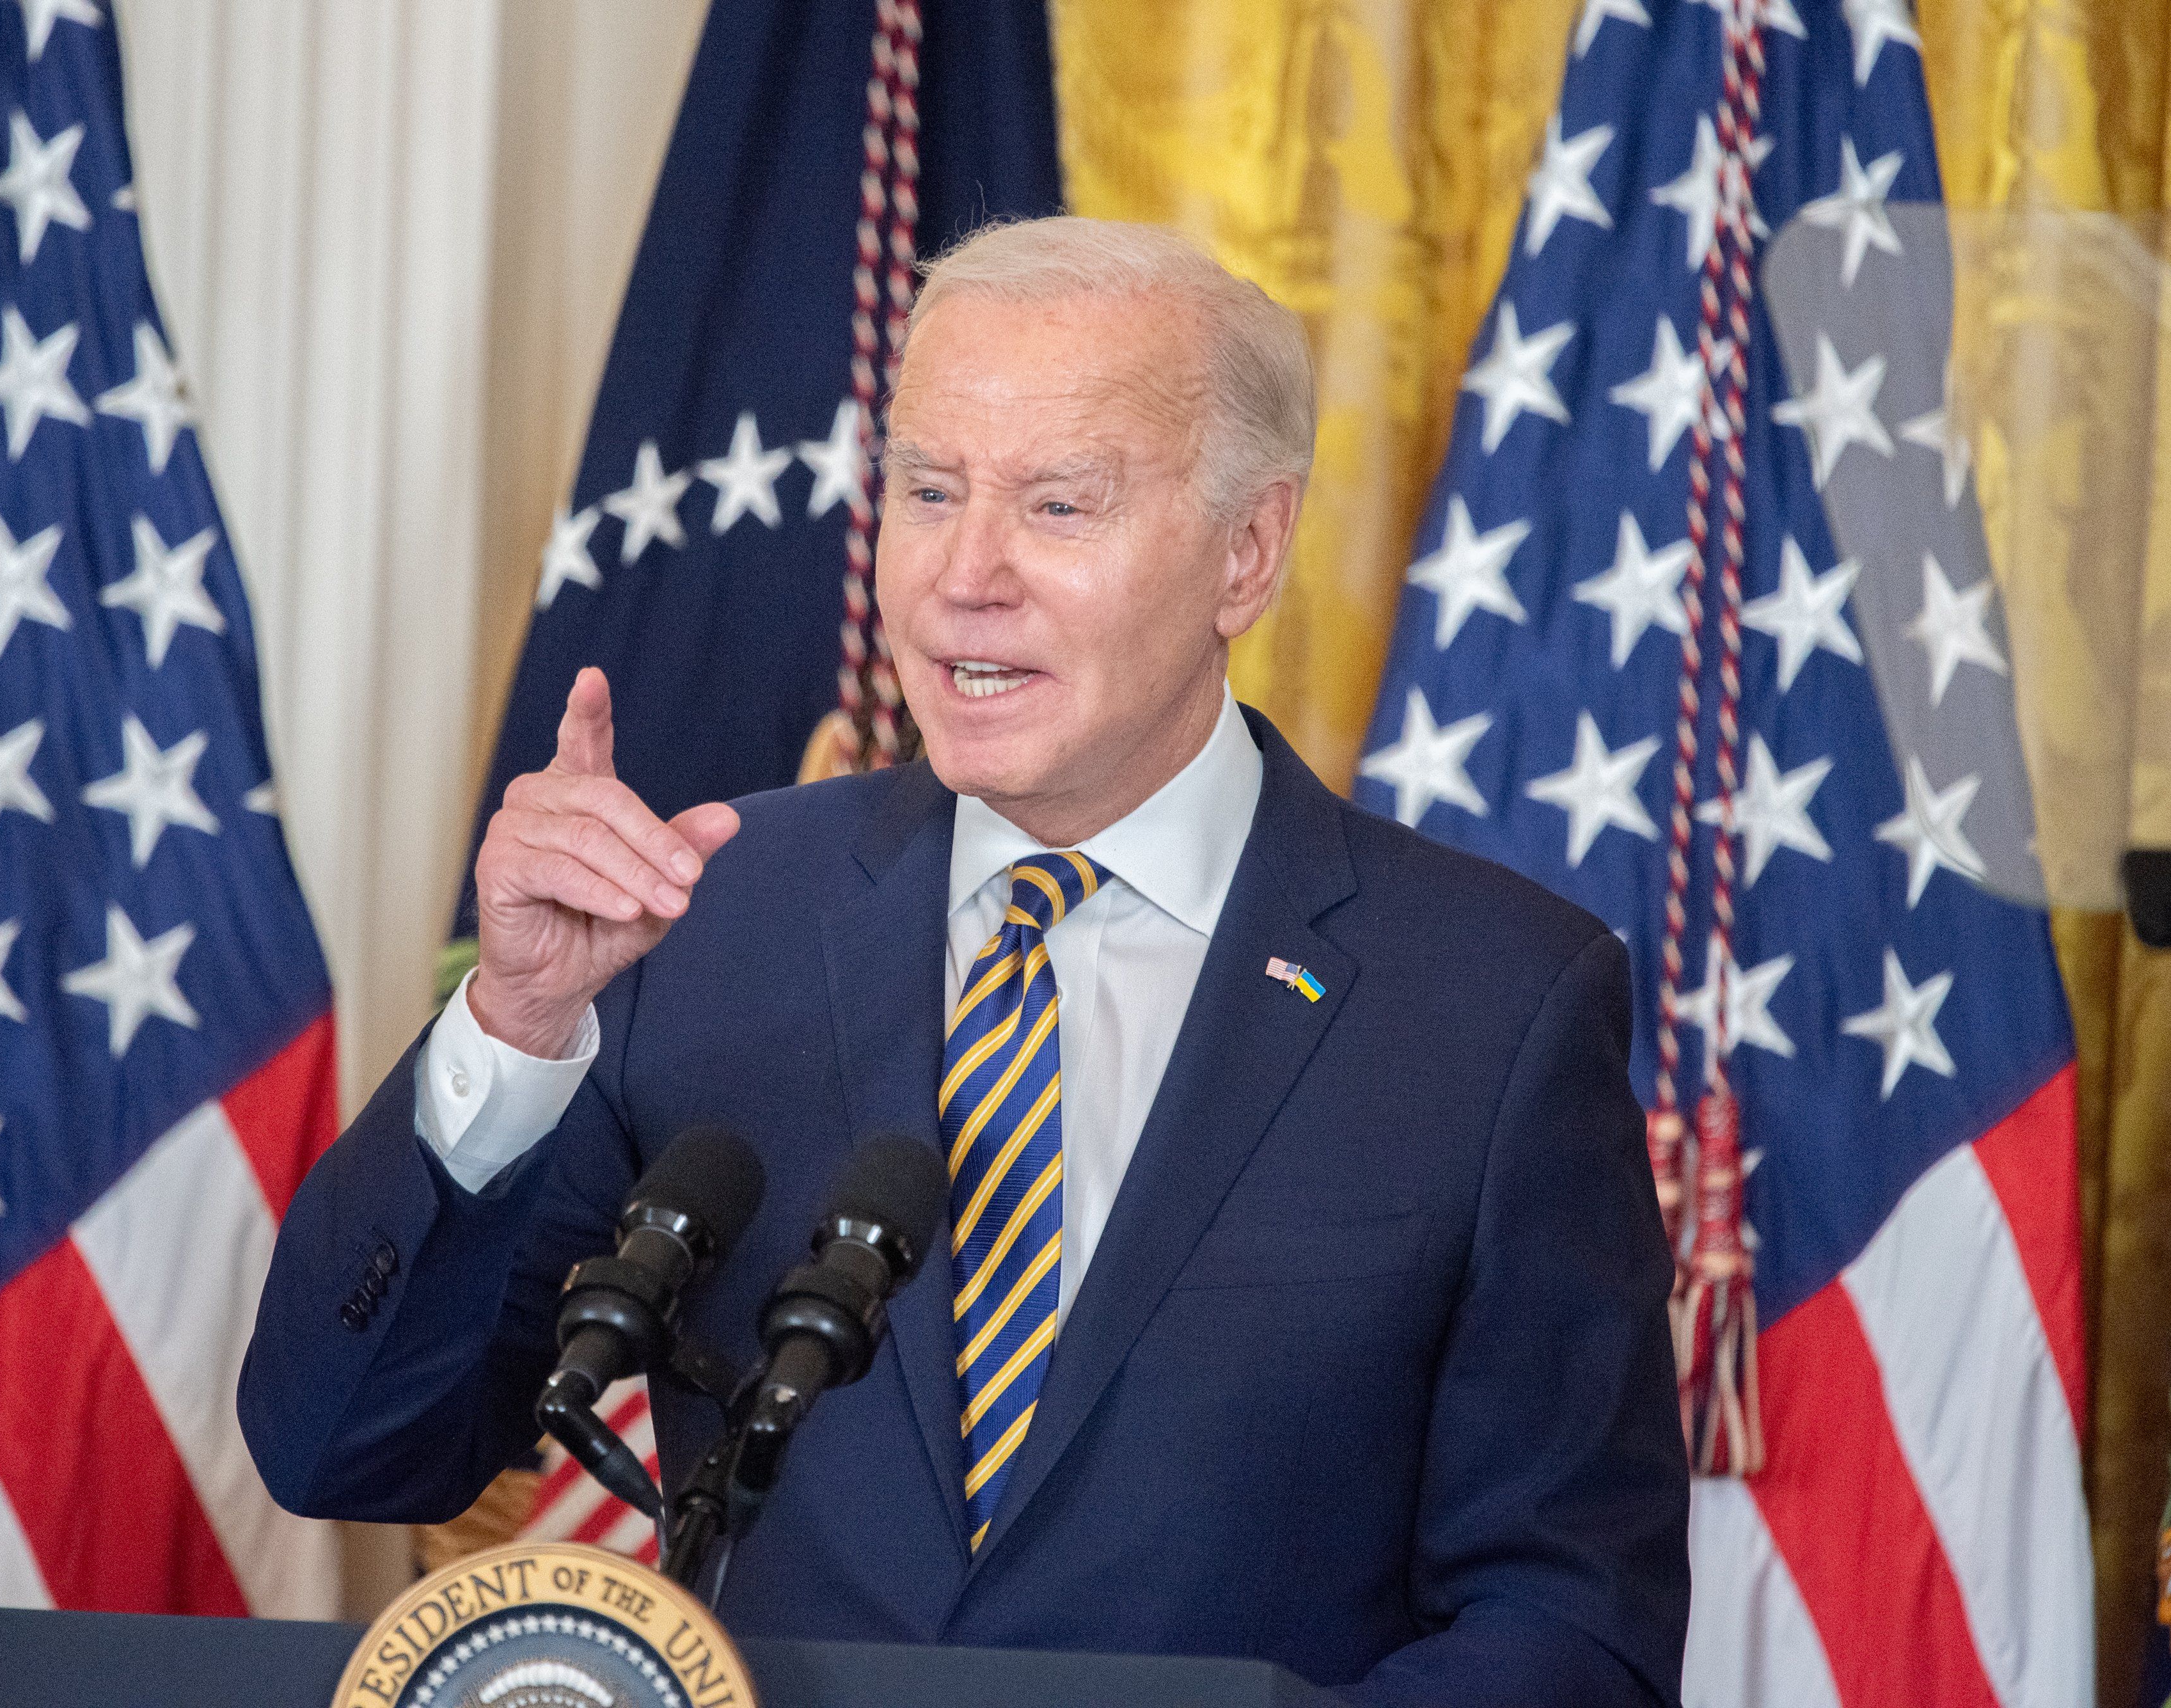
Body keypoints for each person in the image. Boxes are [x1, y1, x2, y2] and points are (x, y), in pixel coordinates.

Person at [240, 216, 1687, 1705]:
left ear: (1245, 553)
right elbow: (349, 1445)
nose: (964, 576)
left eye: (1058, 507)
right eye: (929, 492)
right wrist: (516, 1024)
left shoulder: (1493, 1001)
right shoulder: (704, 918)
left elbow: (1569, 1627)